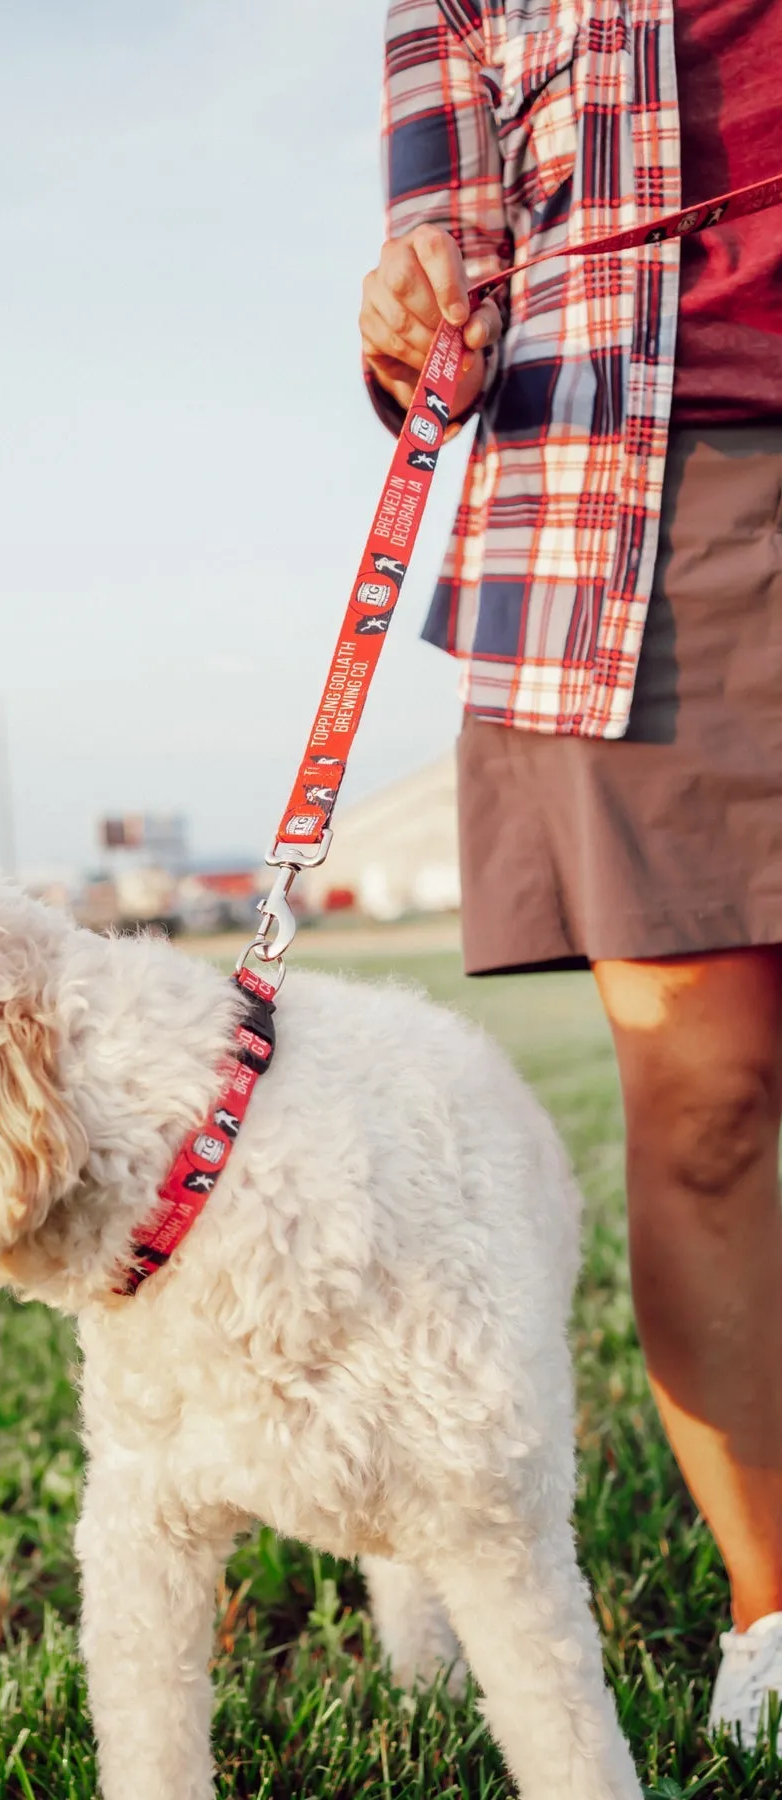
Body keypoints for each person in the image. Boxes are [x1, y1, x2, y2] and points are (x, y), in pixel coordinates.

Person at [359, 0, 782, 1752]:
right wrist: (413, 309)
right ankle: (778, 1615)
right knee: (712, 1106)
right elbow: (442, 262)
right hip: (640, 500)